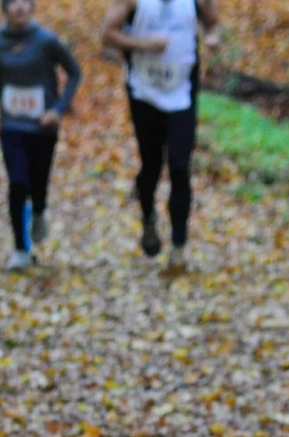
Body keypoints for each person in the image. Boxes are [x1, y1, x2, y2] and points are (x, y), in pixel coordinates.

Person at [102, 0, 221, 271]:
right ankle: (148, 218)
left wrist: (212, 38)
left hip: (182, 91)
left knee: (180, 167)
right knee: (151, 165)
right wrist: (144, 44)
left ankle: (178, 247)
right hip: (144, 91)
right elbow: (107, 34)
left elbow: (213, 22)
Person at [0, 0, 82, 270]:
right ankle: (20, 249)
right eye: (13, 3)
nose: (19, 8)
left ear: (31, 7)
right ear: (4, 9)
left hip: (43, 126)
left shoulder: (46, 40)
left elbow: (75, 73)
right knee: (17, 183)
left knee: (38, 182)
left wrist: (58, 108)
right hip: (12, 127)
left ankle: (40, 211)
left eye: (24, 2)